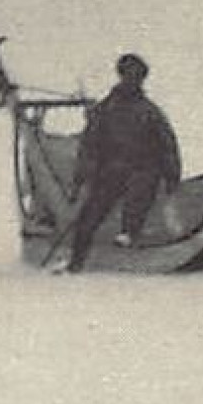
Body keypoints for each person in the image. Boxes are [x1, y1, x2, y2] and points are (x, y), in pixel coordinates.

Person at [49, 53, 182, 273]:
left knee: (141, 191)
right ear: (121, 76)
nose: (133, 80)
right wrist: (82, 176)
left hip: (143, 170)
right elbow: (89, 145)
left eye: (138, 76)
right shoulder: (105, 110)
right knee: (89, 216)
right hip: (110, 172)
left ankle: (129, 234)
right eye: (129, 75)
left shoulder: (150, 112)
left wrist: (172, 175)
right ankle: (76, 262)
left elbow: (168, 145)